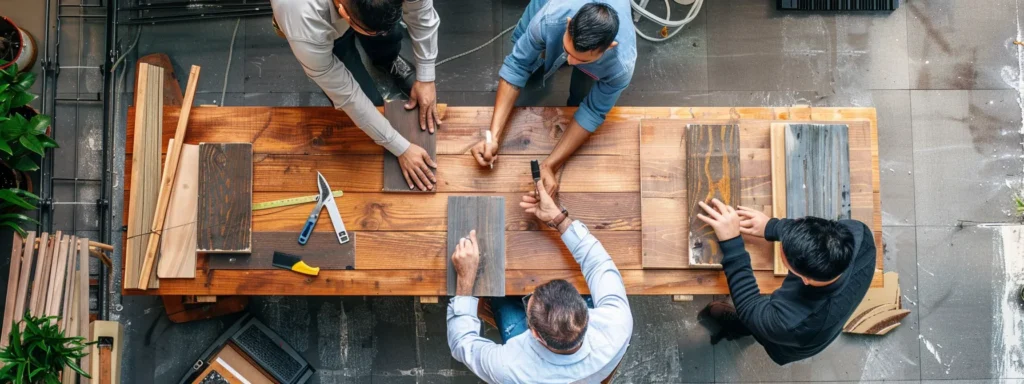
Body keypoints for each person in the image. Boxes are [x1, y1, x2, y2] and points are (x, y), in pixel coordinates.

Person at [447, 179, 633, 383]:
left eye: (531, 303)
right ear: (584, 311)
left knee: (499, 296)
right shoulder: (616, 325)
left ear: (534, 333)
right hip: (595, 367)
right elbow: (598, 262)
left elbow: (462, 343)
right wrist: (558, 218)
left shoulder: (511, 369)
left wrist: (465, 282)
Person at [469, 0, 636, 197]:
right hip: (551, 18)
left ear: (609, 47)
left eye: (582, 60)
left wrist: (550, 165)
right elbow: (517, 65)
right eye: (568, 50)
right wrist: (493, 137)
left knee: (579, 97)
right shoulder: (548, 18)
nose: (571, 62)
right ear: (568, 24)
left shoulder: (621, 66)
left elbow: (592, 111)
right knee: (524, 51)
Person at [270, 0, 441, 191]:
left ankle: (388, 59)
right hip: (320, 24)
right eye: (370, 31)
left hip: (354, 15)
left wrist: (426, 77)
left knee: (387, 37)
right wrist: (400, 147)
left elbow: (421, 12)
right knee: (371, 102)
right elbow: (348, 96)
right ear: (343, 12)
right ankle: (347, 46)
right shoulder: (302, 21)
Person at [695, 199, 877, 365]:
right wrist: (772, 226)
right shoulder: (858, 234)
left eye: (785, 255)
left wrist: (732, 242)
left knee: (758, 324)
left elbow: (749, 306)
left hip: (793, 341)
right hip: (813, 315)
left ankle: (746, 328)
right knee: (765, 320)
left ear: (804, 278)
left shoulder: (791, 324)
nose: (782, 244)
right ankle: (756, 325)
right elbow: (817, 232)